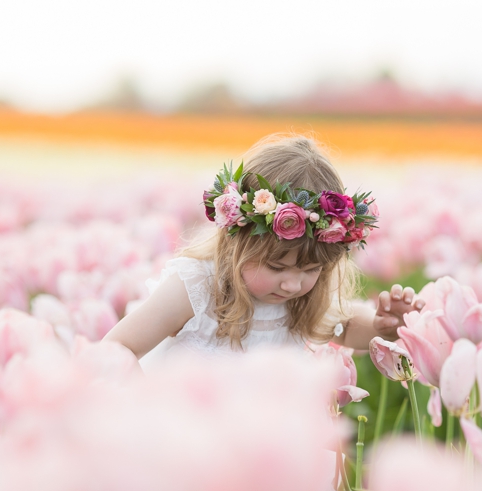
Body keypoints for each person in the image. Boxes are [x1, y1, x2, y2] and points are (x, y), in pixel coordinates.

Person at [104, 132, 423, 364]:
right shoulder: (199, 289)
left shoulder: (303, 301)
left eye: (311, 270)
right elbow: (118, 347)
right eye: (277, 267)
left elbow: (347, 326)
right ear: (237, 242)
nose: (292, 284)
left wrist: (385, 327)